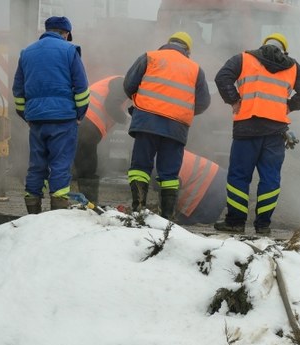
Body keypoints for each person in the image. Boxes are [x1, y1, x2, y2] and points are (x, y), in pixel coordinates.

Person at [213, 33, 300, 235]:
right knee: (270, 178)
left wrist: (233, 100)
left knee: (239, 176)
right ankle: (263, 225)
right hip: (276, 131)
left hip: (247, 127)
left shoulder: (243, 58)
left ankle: (235, 222)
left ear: (263, 46)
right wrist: (290, 106)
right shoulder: (292, 66)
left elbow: (222, 77)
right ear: (284, 50)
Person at [123, 31, 211, 219]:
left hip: (146, 121)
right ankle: (167, 217)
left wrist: (141, 102)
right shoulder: (195, 69)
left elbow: (129, 85)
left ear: (168, 43)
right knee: (169, 173)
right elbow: (203, 102)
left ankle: (138, 208)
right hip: (176, 127)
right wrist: (182, 109)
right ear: (187, 50)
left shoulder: (150, 57)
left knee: (140, 166)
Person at [13, 16, 90, 214]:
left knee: (36, 165)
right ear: (65, 34)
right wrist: (79, 114)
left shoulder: (26, 53)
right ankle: (57, 215)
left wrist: (26, 116)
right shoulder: (69, 51)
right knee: (60, 165)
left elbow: (18, 91)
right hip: (64, 119)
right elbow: (81, 88)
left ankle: (33, 214)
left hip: (37, 120)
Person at [74, 75, 129, 204]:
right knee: (87, 166)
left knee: (82, 164)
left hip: (85, 120)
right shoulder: (122, 83)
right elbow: (111, 106)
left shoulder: (121, 86)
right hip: (89, 120)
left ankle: (86, 203)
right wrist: (126, 120)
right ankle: (89, 204)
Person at [175, 150, 226, 225]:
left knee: (183, 224)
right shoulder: (174, 150)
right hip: (218, 178)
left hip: (209, 191)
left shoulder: (162, 160)